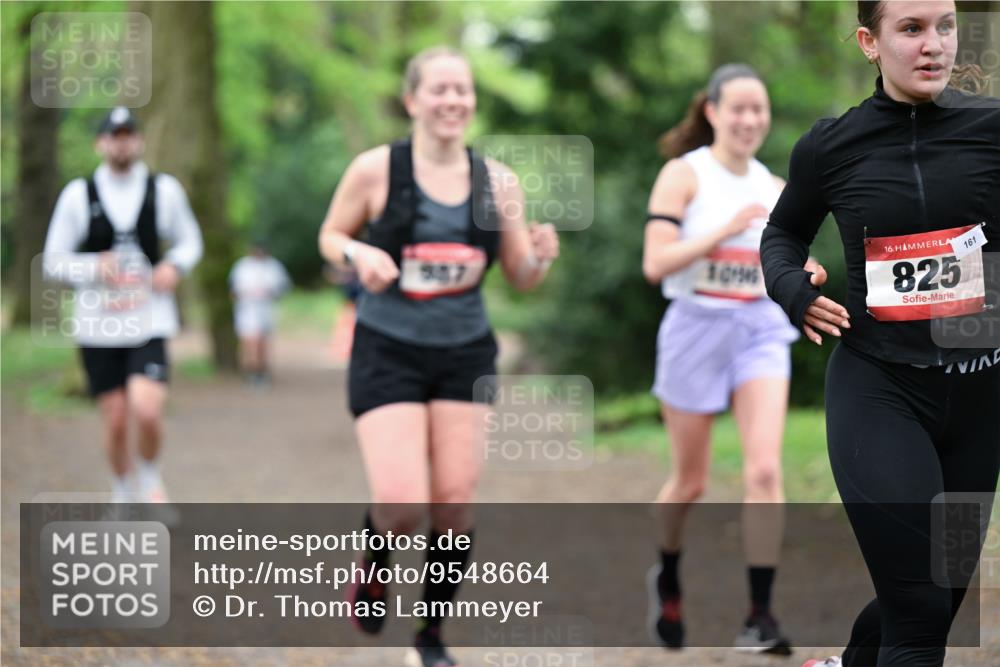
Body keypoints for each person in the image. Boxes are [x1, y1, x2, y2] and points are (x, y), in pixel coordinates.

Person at [760, 2, 999, 666]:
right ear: (870, 41)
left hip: (979, 399)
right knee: (919, 609)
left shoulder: (991, 129)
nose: (934, 44)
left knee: (938, 596)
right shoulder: (831, 145)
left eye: (945, 26)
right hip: (880, 390)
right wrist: (792, 287)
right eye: (912, 29)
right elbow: (782, 234)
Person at [317, 46, 559, 667]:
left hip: (463, 353)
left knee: (453, 504)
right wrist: (359, 254)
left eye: (462, 90)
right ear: (412, 100)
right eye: (439, 89)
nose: (453, 100)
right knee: (402, 504)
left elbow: (520, 276)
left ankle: (429, 638)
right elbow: (331, 236)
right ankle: (376, 559)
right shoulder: (375, 169)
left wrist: (540, 257)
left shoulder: (499, 182)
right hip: (387, 349)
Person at [642, 63, 826, 655]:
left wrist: (806, 273)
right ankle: (668, 577)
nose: (750, 119)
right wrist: (722, 231)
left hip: (759, 331)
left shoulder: (775, 188)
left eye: (758, 109)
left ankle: (760, 616)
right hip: (695, 328)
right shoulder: (684, 174)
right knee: (690, 481)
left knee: (765, 472)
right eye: (738, 108)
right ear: (713, 112)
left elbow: (786, 264)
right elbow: (655, 264)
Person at [42, 106, 203, 504]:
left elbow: (190, 241)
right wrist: (93, 266)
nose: (121, 143)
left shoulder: (164, 190)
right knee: (115, 419)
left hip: (149, 320)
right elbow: (53, 261)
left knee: (147, 410)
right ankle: (122, 490)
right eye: (114, 136)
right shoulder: (78, 195)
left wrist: (174, 266)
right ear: (100, 143)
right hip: (98, 325)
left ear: (140, 141)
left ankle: (149, 477)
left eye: (128, 135)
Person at [229, 240, 291, 386]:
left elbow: (282, 287)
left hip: (266, 307)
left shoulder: (273, 266)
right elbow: (233, 288)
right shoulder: (242, 266)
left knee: (263, 341)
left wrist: (269, 293)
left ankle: (262, 371)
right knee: (249, 341)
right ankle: (250, 370)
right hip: (247, 308)